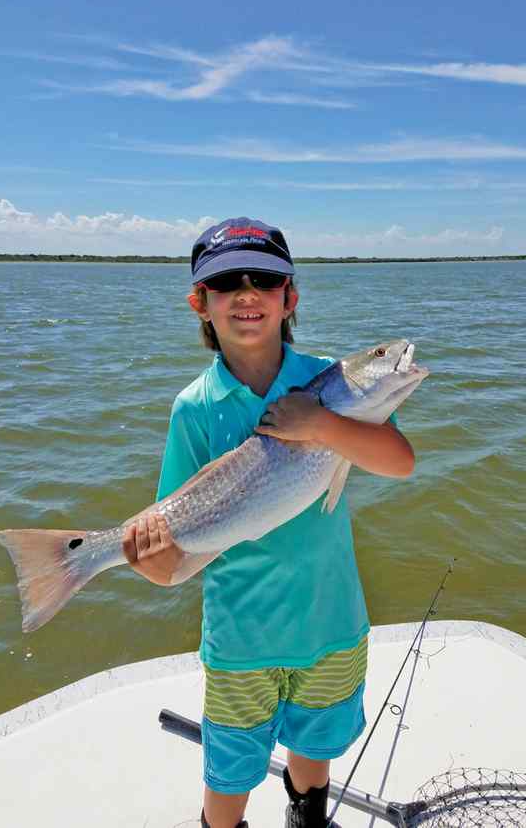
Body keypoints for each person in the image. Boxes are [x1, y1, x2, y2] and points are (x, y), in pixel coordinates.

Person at [122, 218, 415, 828]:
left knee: (314, 751)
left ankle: (307, 814)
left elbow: (400, 463)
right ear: (200, 303)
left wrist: (322, 425)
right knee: (229, 772)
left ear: (292, 297)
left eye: (267, 280)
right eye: (228, 283)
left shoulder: (328, 383)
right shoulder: (195, 408)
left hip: (331, 620)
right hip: (241, 639)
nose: (248, 294)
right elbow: (176, 557)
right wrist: (152, 566)